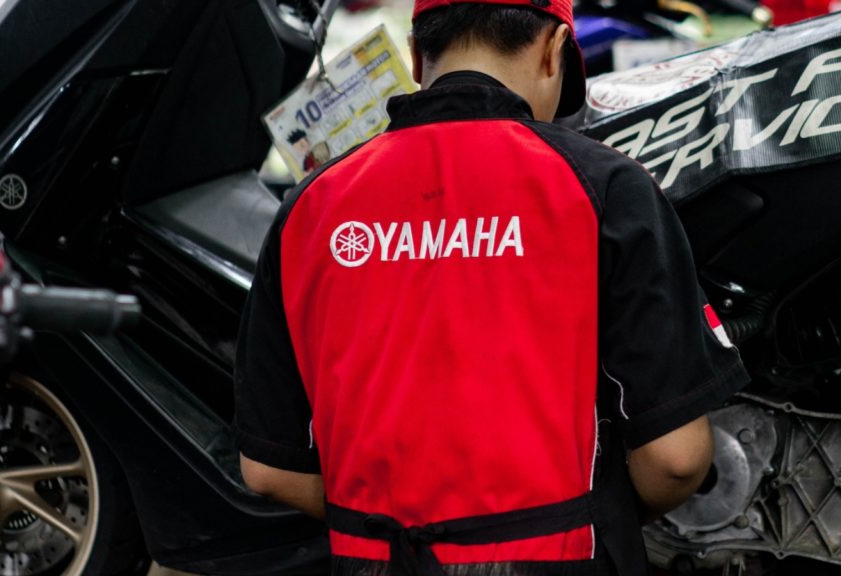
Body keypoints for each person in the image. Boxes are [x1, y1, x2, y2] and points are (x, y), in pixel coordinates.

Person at [233, 0, 750, 572]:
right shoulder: (607, 187)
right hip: (560, 556)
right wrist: (601, 519)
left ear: (415, 55)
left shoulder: (311, 207)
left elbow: (270, 469)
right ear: (554, 50)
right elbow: (677, 460)